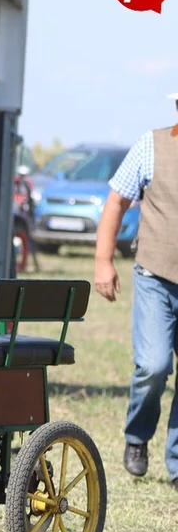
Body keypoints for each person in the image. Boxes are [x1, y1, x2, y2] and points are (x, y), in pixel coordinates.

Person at [94, 91, 178, 490]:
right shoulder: (152, 145)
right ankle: (136, 436)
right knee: (154, 365)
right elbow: (116, 202)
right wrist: (103, 261)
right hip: (155, 276)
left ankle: (177, 463)